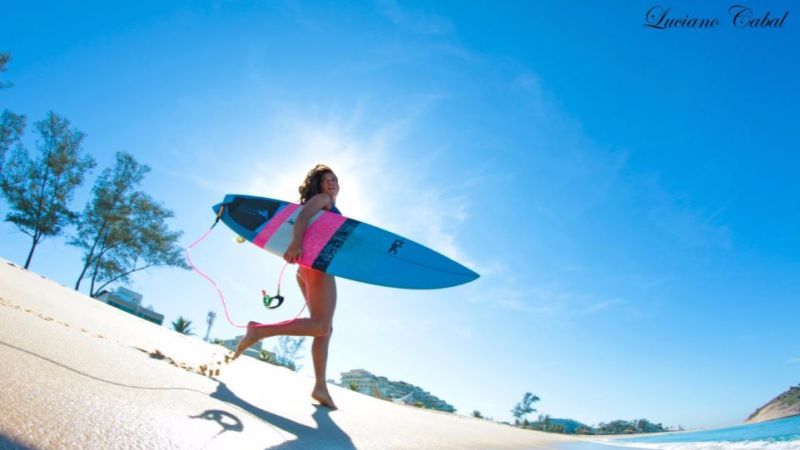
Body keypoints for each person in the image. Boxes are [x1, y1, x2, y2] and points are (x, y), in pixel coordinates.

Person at [233, 164, 340, 409]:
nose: (332, 183)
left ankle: (320, 387)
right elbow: (302, 217)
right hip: (316, 265)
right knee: (322, 326)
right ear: (319, 185)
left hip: (308, 267)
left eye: (335, 179)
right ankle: (258, 331)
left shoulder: (329, 204)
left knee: (324, 329)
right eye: (327, 180)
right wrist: (295, 244)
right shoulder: (324, 200)